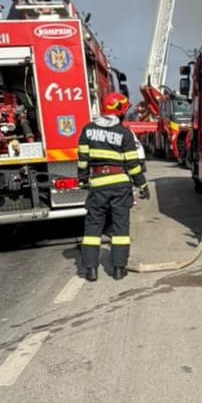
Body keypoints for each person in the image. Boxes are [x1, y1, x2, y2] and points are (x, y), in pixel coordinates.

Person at [77, 92, 148, 282]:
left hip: (97, 185)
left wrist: (83, 179)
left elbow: (82, 159)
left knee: (93, 228)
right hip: (119, 187)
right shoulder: (124, 133)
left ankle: (91, 270)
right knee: (120, 227)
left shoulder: (87, 130)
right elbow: (132, 164)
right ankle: (118, 269)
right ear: (120, 111)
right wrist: (142, 184)